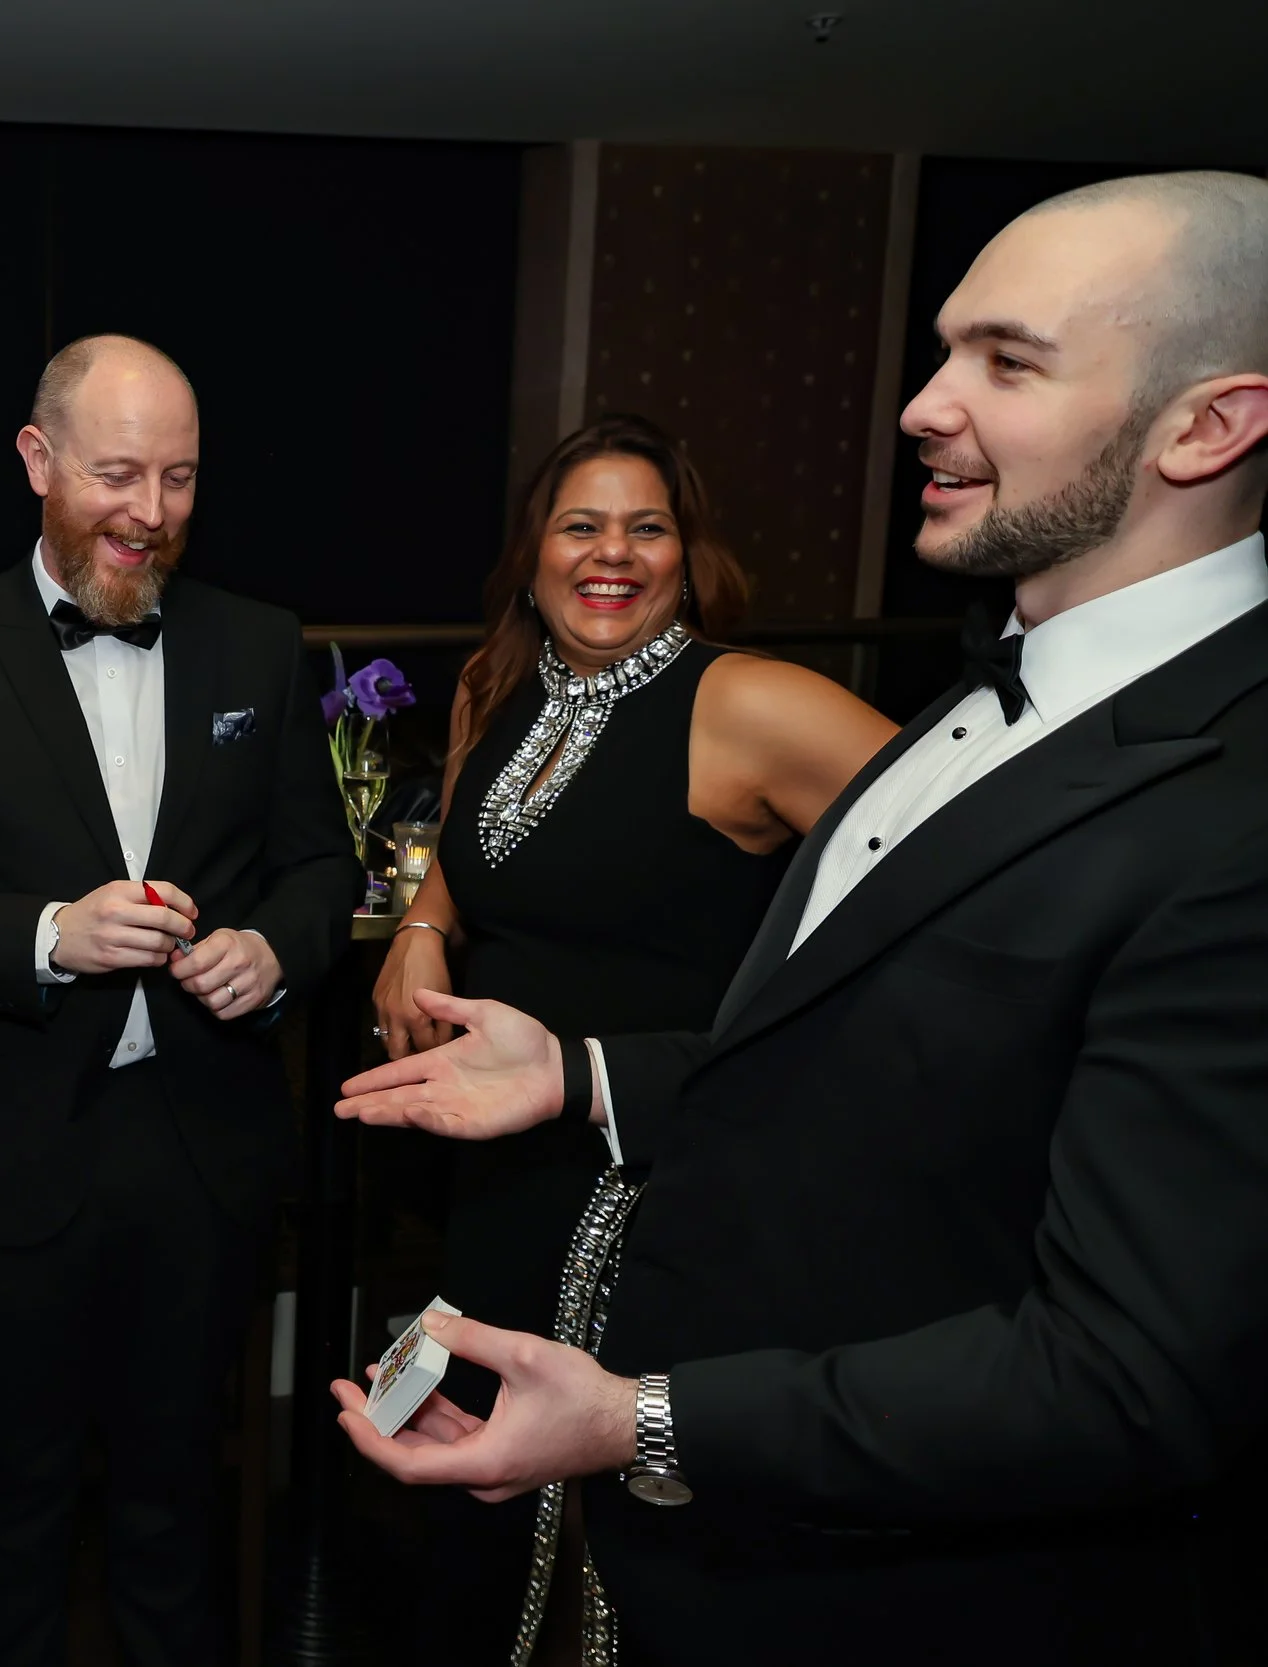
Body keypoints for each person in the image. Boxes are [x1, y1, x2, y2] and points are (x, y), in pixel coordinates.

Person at [333, 171, 1268, 1665]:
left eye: (1006, 359)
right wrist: (561, 1058)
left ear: (1209, 424)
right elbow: (854, 1034)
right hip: (701, 1396)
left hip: (912, 1548)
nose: (920, 401)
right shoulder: (998, 690)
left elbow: (1134, 1369)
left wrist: (649, 1410)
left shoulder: (1220, 801)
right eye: (943, 346)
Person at [0, 335, 357, 1665]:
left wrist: (274, 951)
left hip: (203, 1140)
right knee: (10, 1501)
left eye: (180, 478)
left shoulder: (262, 644)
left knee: (179, 1493)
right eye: (118, 473)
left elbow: (319, 864)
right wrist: (51, 934)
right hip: (16, 1145)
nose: (152, 512)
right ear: (37, 461)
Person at [365, 414, 893, 1655]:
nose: (613, 553)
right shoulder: (496, 683)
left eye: (645, 527)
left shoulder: (748, 703)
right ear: (533, 555)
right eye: (580, 525)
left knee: (616, 1548)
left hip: (655, 1186)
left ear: (686, 552)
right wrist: (422, 929)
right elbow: (467, 848)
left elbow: (965, 847)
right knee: (483, 1514)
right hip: (496, 1173)